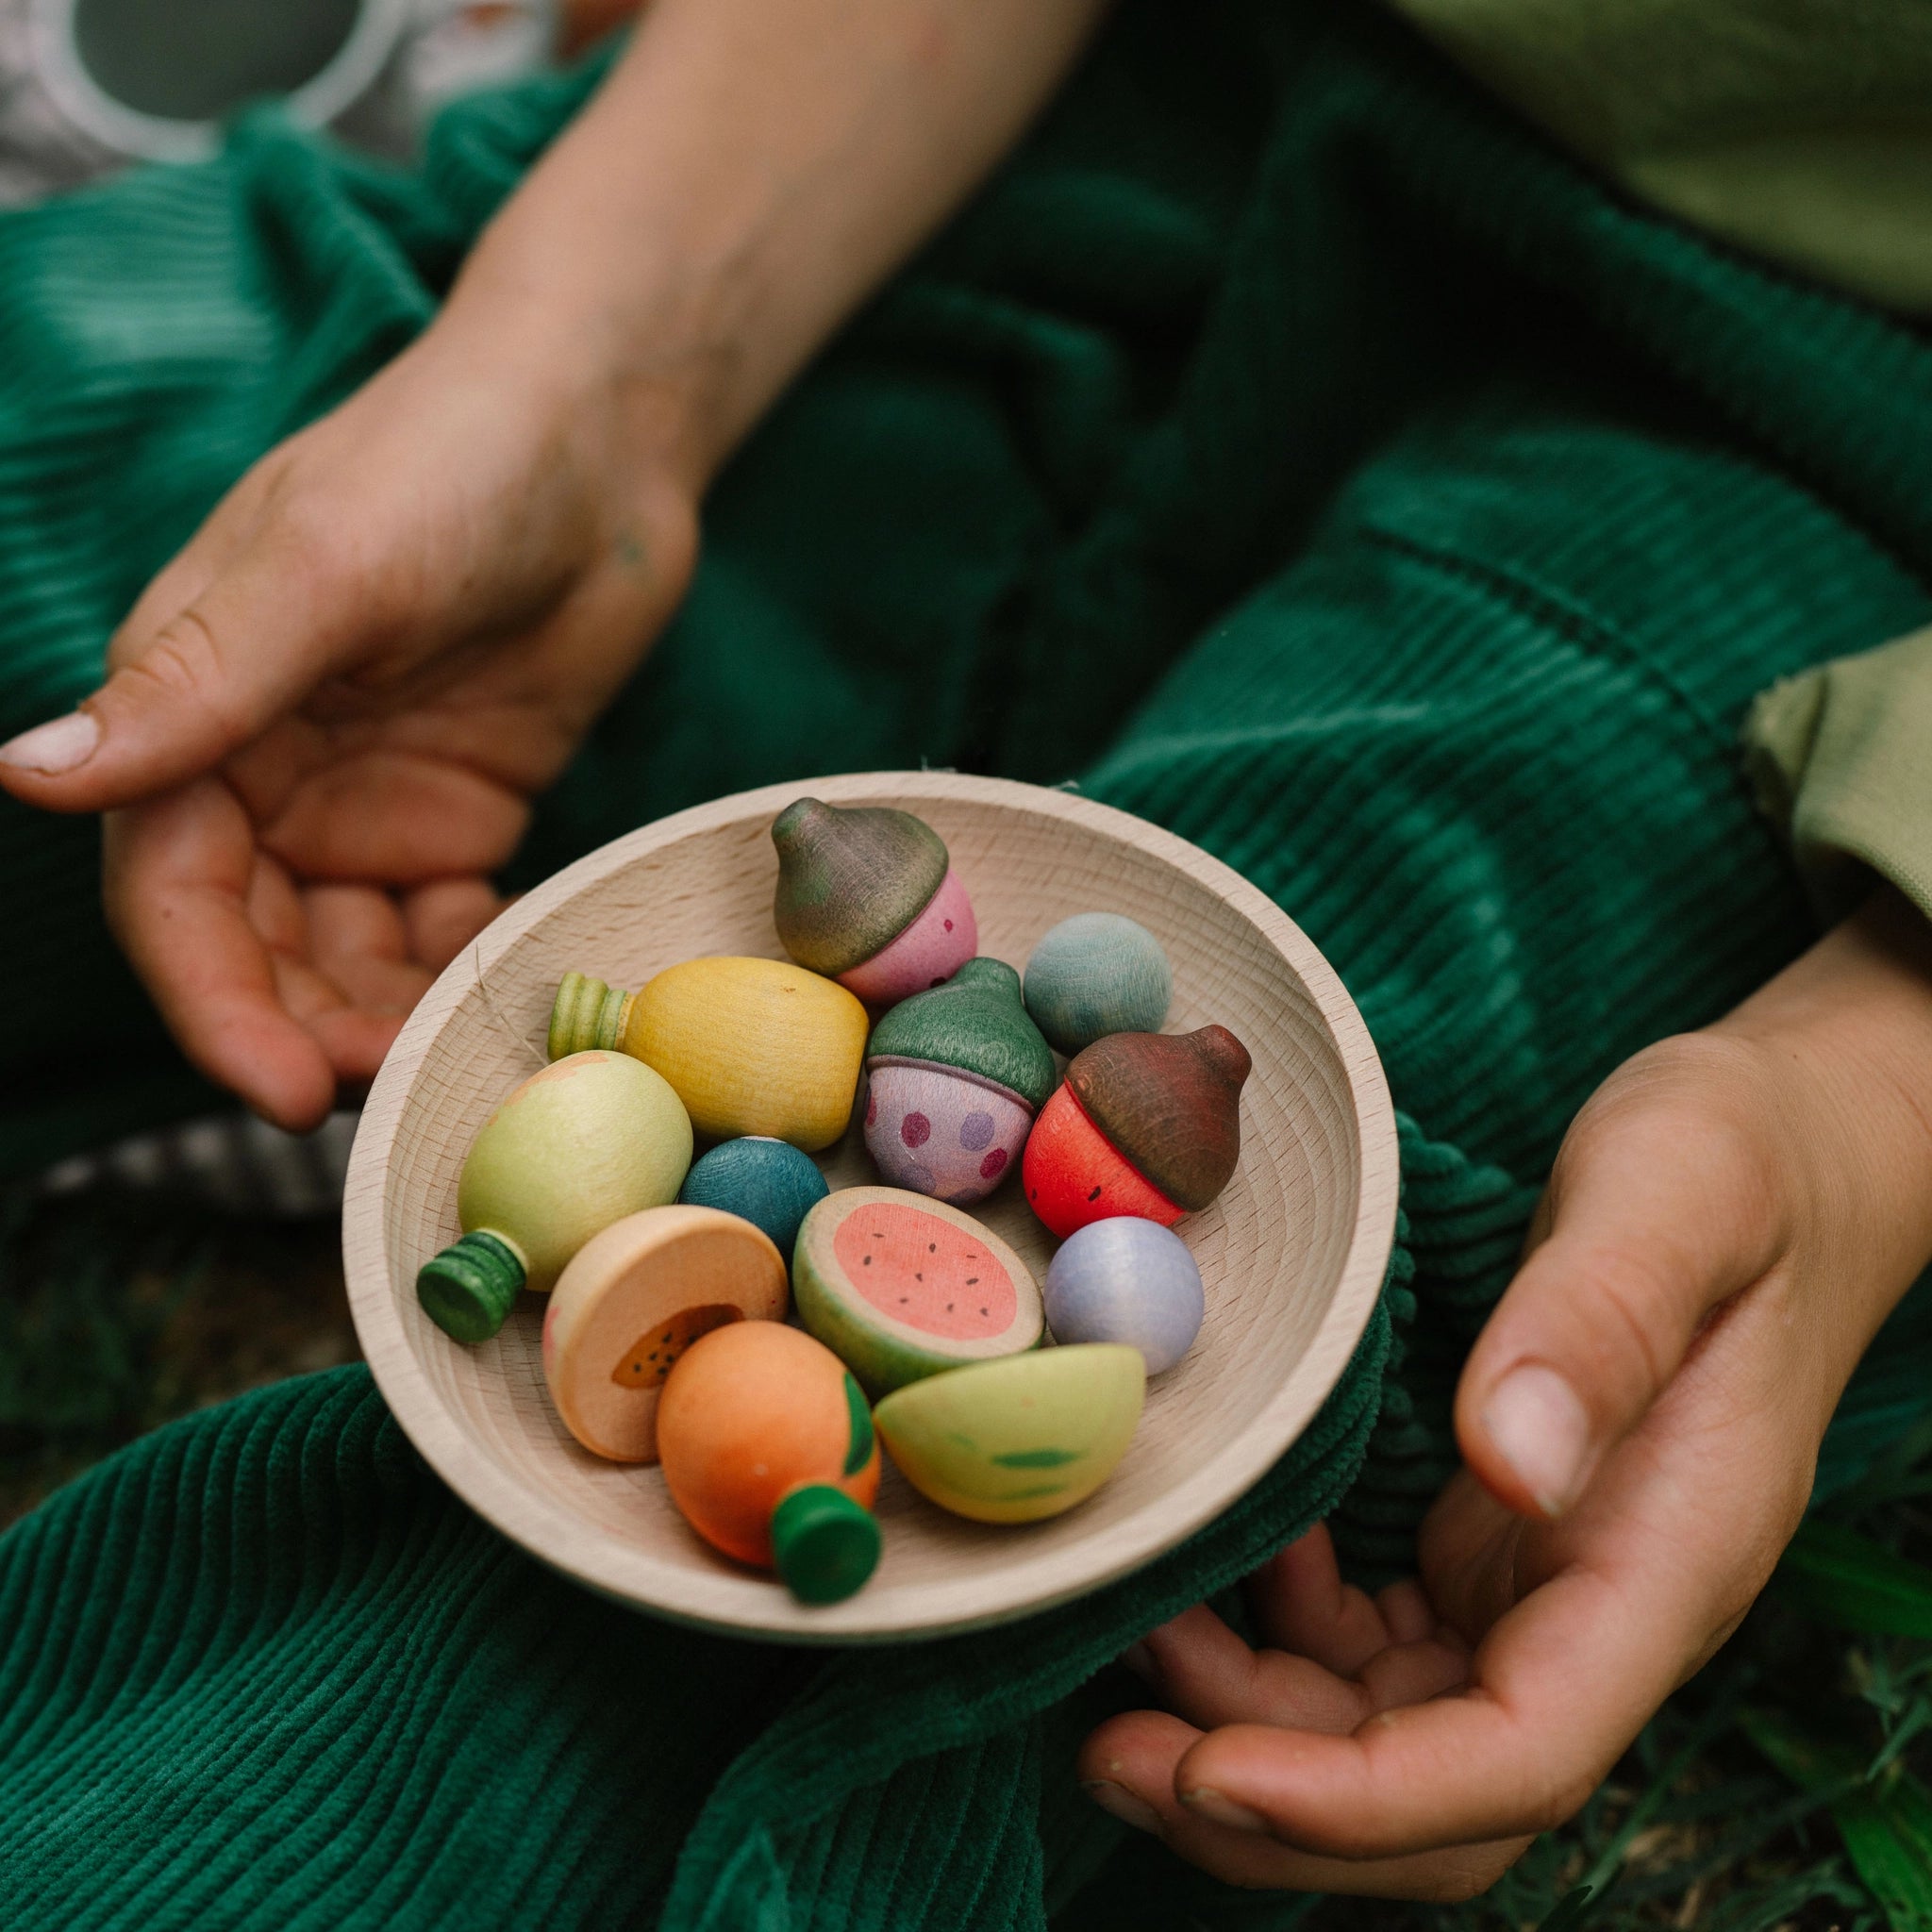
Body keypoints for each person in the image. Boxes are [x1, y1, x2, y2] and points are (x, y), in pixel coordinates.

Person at [0, 0, 1930, 1915]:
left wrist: (1865, 1089)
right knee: (103, 543)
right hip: (1025, 114)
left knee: (635, 1682)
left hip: (1806, 440)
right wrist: (592, 369)